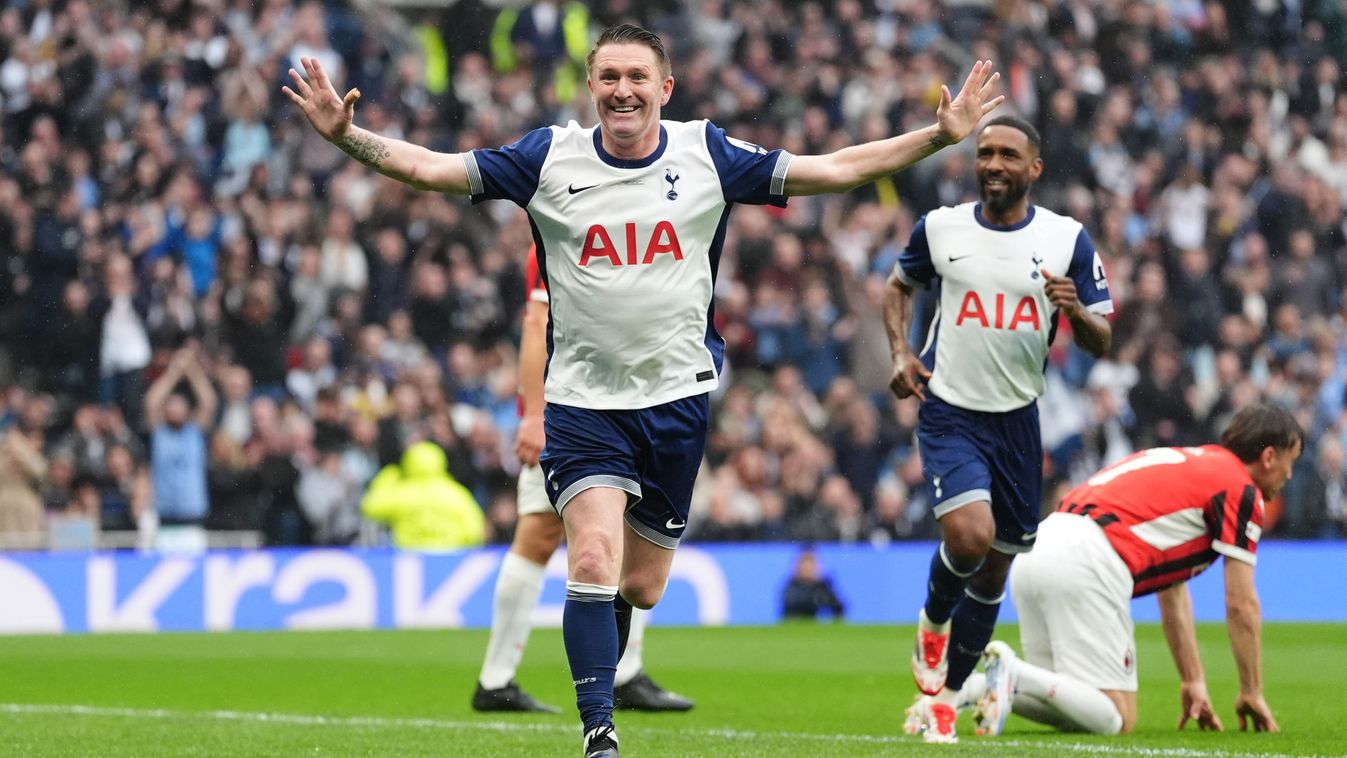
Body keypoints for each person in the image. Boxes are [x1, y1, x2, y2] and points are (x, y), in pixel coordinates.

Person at [285, 24, 1002, 757]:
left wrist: (936, 137)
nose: (621, 90)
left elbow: (833, 168)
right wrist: (350, 139)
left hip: (675, 403)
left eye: (636, 77)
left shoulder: (706, 155)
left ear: (664, 88)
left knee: (641, 586)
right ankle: (599, 733)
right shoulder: (547, 157)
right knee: (590, 559)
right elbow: (431, 170)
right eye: (608, 77)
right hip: (582, 403)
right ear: (591, 87)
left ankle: (604, 667)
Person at [883, 115, 1115, 743]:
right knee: (969, 538)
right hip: (951, 410)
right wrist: (902, 355)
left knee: (993, 574)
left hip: (1018, 422)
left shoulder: (1067, 241)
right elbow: (898, 286)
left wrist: (1073, 309)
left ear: (1034, 168)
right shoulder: (942, 227)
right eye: (985, 153)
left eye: (1009, 155)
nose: (993, 164)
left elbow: (1103, 337)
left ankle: (944, 699)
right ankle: (933, 622)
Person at [907, 403, 1300, 740]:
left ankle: (960, 691)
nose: (1289, 475)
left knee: (1071, 706)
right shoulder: (1239, 488)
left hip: (1040, 546)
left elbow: (1173, 589)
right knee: (1118, 716)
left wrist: (1193, 679)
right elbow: (1241, 604)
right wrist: (1251, 690)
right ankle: (1013, 673)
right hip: (1089, 560)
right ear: (1269, 456)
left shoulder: (1191, 463)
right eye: (1291, 461)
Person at [472, 245, 693, 714]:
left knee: (621, 531)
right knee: (544, 532)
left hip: (620, 408)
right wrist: (533, 414)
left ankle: (622, 672)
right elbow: (536, 324)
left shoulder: (620, 223)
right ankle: (496, 679)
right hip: (572, 412)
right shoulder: (561, 228)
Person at [144, 344, 218, 549]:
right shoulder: (160, 433)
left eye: (179, 405)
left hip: (192, 516)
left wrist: (191, 369)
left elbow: (209, 401)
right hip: (165, 515)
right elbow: (152, 402)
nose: (174, 409)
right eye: (171, 404)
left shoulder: (194, 433)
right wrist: (173, 372)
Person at [360, 441, 486, 549]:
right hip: (450, 559)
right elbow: (474, 529)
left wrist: (388, 478)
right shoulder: (455, 493)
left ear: (408, 463)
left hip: (412, 559)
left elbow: (370, 507)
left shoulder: (404, 493)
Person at [781, 548, 846, 620]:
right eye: (804, 564)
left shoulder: (823, 585)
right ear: (798, 566)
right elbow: (791, 604)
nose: (807, 568)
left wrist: (828, 600)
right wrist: (815, 599)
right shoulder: (791, 585)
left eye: (811, 564)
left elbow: (839, 608)